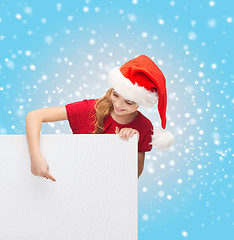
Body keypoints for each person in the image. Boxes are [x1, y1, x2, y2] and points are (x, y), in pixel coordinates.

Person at [25, 55, 175, 182]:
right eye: (116, 95)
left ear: (140, 104)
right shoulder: (90, 109)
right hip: (74, 180)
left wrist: (129, 145)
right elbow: (35, 116)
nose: (118, 104)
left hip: (107, 193)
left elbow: (134, 176)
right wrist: (35, 156)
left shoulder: (143, 126)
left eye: (129, 102)